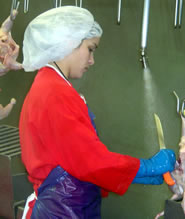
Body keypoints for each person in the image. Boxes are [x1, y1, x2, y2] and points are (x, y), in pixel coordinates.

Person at [19, 6, 176, 219]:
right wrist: (146, 167)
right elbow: (90, 161)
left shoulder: (50, 86)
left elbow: (79, 159)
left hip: (67, 207)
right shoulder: (54, 92)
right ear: (69, 42)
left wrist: (137, 175)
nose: (92, 60)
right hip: (62, 212)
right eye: (90, 49)